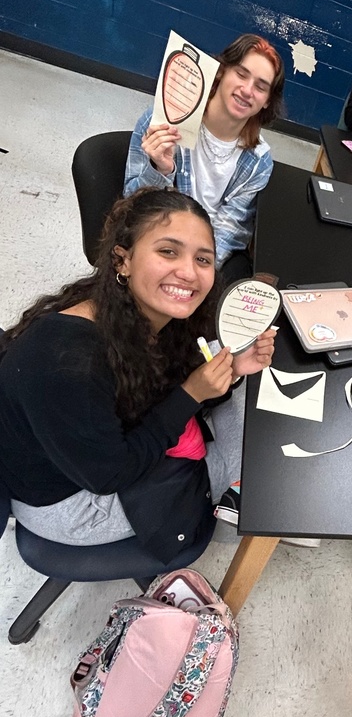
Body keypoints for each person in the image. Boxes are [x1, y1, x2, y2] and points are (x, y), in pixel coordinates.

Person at [0, 189, 275, 561]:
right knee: (251, 456)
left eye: (203, 259)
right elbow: (110, 475)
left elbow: (155, 391)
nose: (189, 272)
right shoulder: (67, 362)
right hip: (70, 502)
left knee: (249, 401)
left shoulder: (141, 315)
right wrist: (191, 395)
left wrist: (234, 370)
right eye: (168, 251)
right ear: (123, 259)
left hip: (95, 452)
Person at [124, 33, 286, 285]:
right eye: (241, 74)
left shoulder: (258, 160)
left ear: (267, 102)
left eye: (261, 86)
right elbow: (130, 205)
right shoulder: (163, 121)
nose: (247, 90)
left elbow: (230, 229)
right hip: (158, 232)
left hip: (206, 252)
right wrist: (160, 170)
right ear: (220, 72)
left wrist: (198, 269)